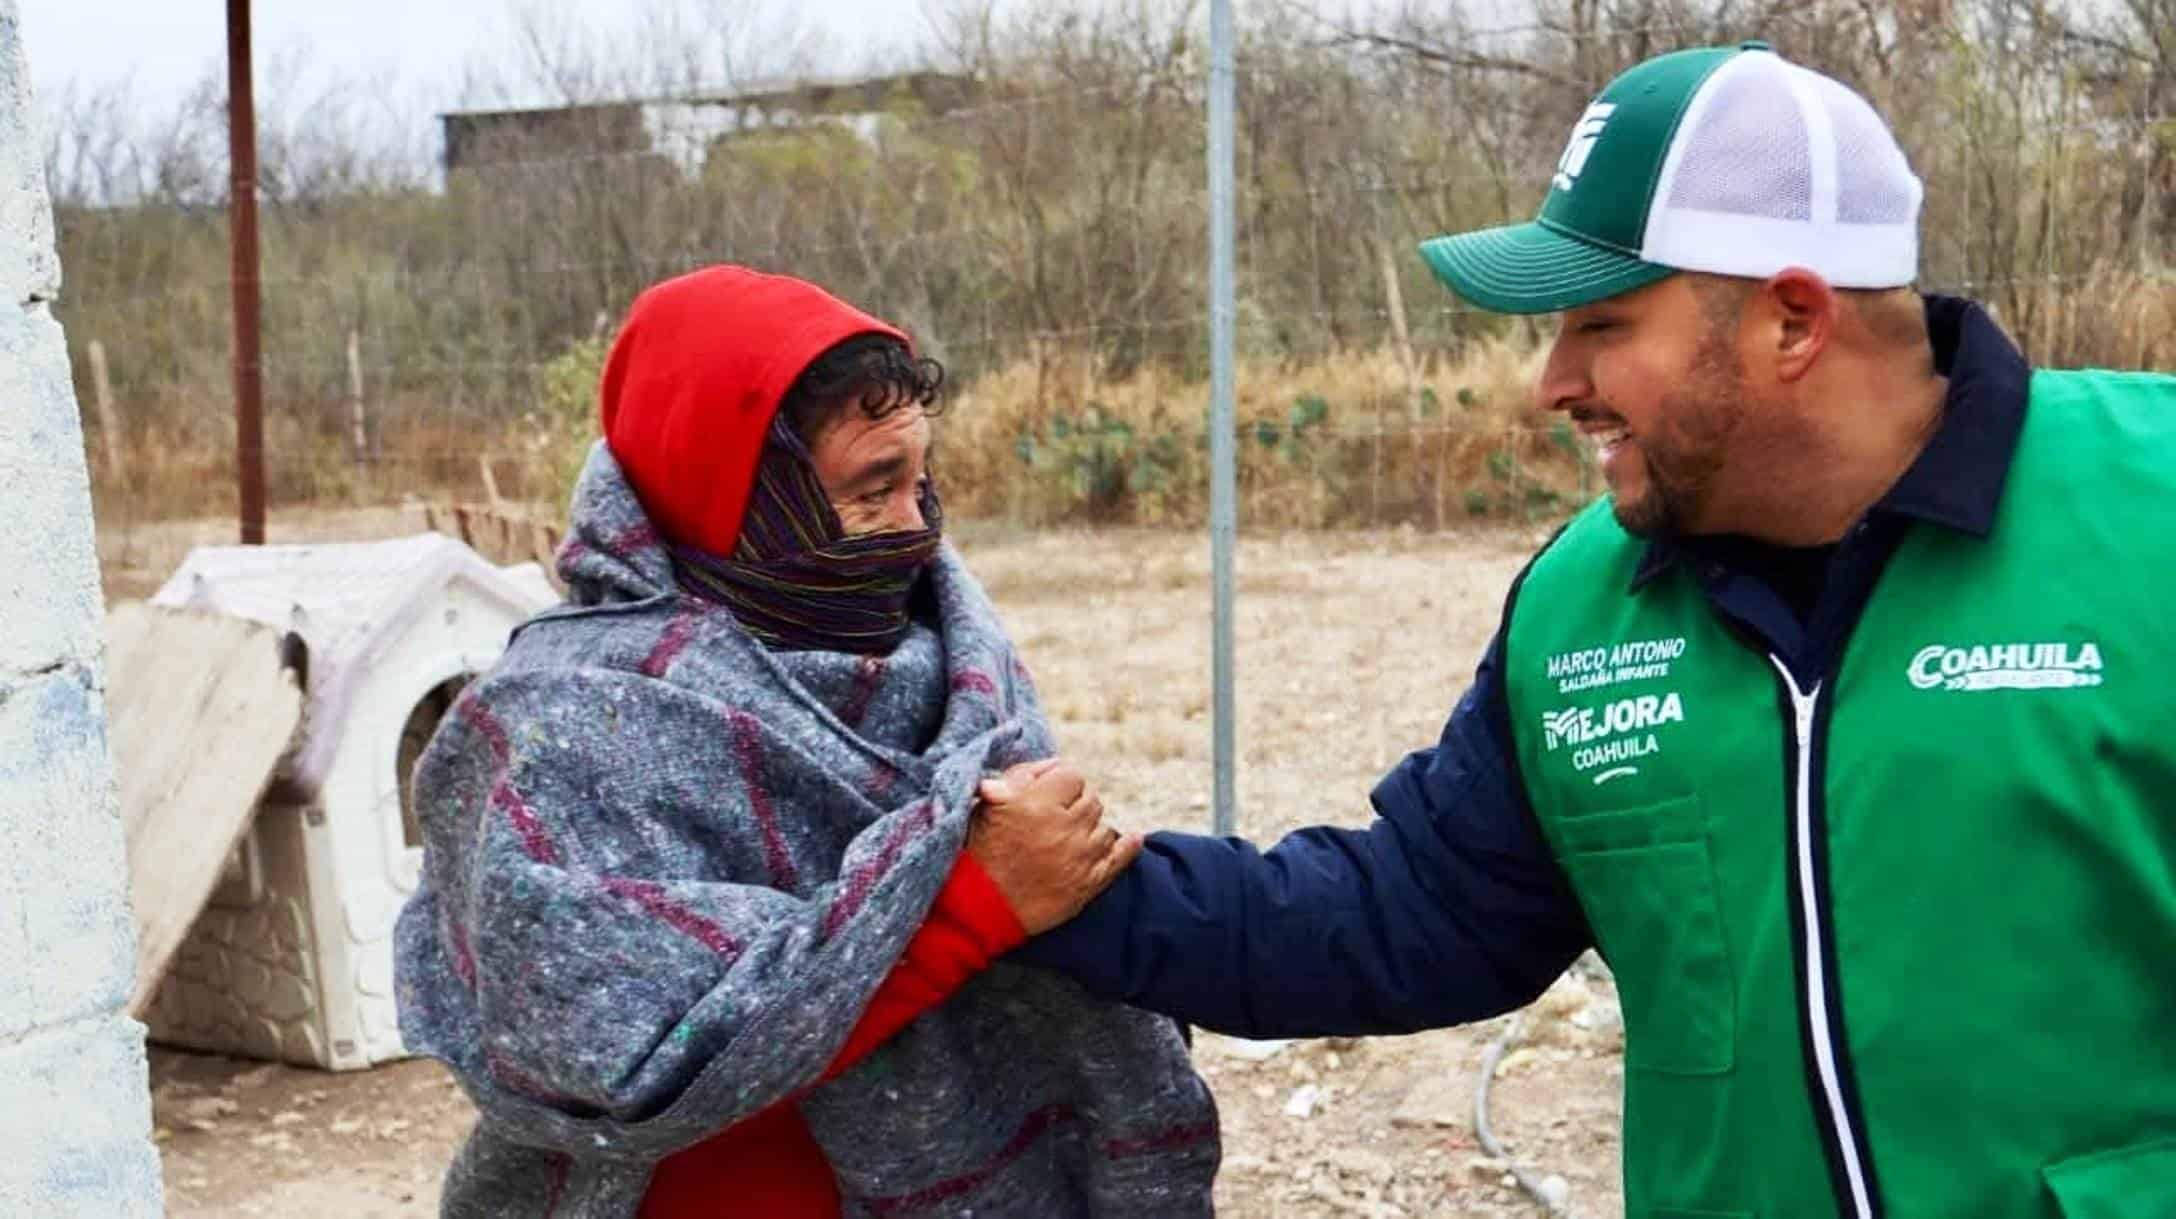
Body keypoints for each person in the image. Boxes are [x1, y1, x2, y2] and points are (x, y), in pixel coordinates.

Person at [1002, 41, 2176, 1219]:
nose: (1551, 382)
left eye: (1602, 324)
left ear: (1792, 320)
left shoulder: (2148, 514)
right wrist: (1068, 895)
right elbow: (1414, 914)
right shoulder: (1581, 604)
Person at [393, 265, 1219, 1218]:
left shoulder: (952, 652)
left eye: (920, 479)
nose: (916, 529)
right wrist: (969, 902)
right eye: (874, 488)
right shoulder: (559, 726)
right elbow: (614, 1054)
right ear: (734, 500)